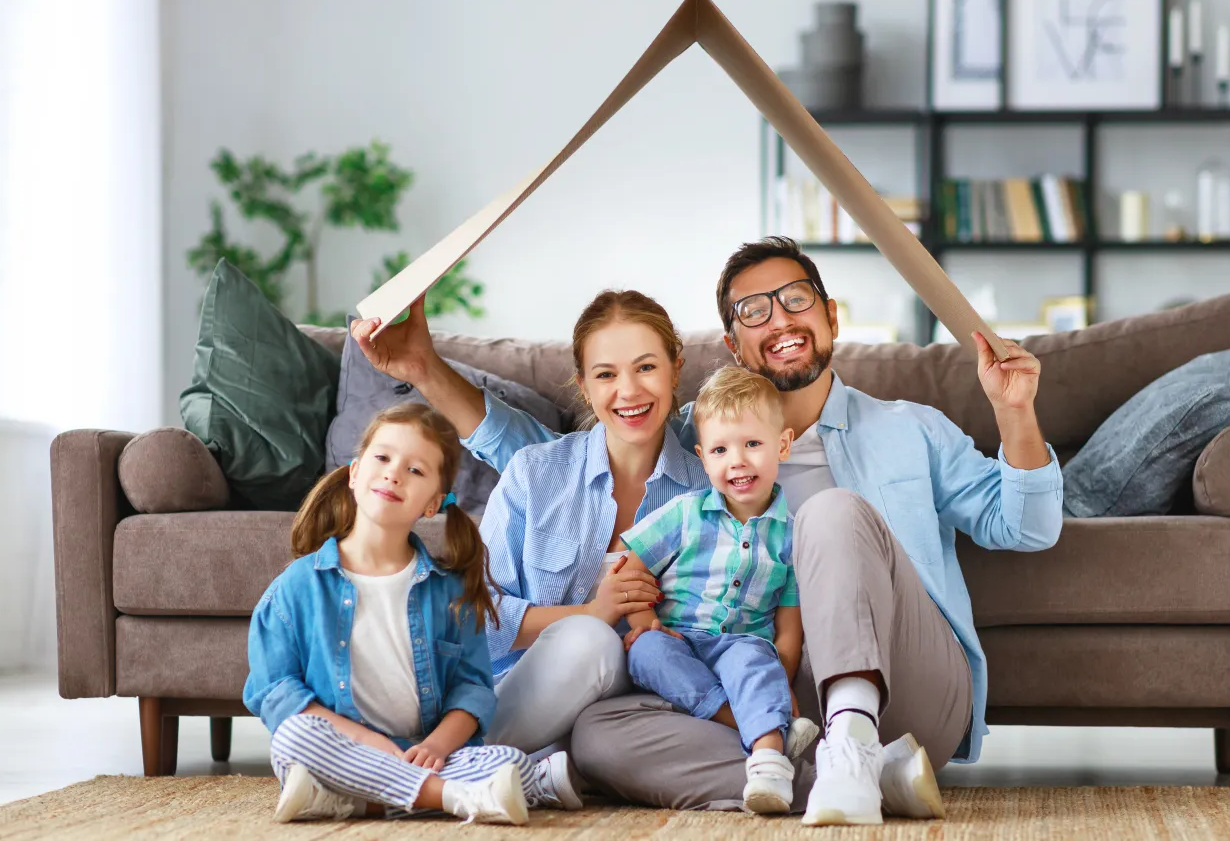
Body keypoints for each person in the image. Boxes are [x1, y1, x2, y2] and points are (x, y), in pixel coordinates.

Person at [352, 237, 1063, 823]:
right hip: (759, 699)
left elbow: (1025, 528)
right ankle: (852, 777)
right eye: (754, 311)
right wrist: (422, 368)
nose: (779, 318)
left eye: (795, 299)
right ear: (731, 344)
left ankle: (858, 744)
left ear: (831, 315)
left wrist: (1015, 412)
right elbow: (557, 460)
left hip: (906, 689)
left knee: (829, 513)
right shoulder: (703, 443)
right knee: (599, 735)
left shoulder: (911, 429)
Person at [353, 291, 712, 762]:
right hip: (518, 695)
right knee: (591, 641)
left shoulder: (707, 493)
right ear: (584, 387)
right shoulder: (535, 472)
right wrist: (592, 613)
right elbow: (478, 613)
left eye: (646, 368)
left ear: (675, 369)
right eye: (606, 374)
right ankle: (456, 762)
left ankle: (472, 769)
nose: (628, 391)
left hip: (631, 712)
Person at [243, 402, 579, 825]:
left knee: (504, 759)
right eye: (382, 458)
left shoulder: (451, 592)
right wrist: (365, 740)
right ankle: (457, 797)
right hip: (337, 750)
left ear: (432, 503)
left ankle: (352, 801)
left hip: (420, 752)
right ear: (354, 473)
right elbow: (274, 692)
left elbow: (472, 691)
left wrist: (438, 746)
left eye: (416, 471)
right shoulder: (296, 587)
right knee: (293, 738)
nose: (394, 473)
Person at [620, 367, 820, 815]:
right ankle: (761, 725)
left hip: (742, 645)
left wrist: (779, 675)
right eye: (720, 450)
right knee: (645, 652)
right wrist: (644, 625)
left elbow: (789, 627)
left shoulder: (792, 536)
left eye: (752, 444)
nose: (738, 461)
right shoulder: (684, 514)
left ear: (782, 445)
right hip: (680, 640)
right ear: (703, 458)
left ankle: (769, 762)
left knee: (756, 661)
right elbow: (631, 568)